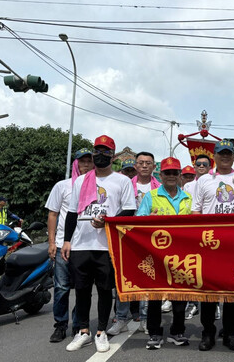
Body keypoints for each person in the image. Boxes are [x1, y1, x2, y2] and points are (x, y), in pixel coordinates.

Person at [62, 135, 136, 353]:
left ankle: (101, 331)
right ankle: (83, 331)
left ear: (113, 156)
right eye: (97, 151)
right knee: (82, 290)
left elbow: (129, 210)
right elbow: (73, 213)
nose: (100, 155)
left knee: (105, 290)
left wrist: (107, 221)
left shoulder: (121, 181)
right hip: (81, 244)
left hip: (107, 246)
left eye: (106, 152)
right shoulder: (80, 181)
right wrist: (67, 240)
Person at [191, 139, 234, 352]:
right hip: (209, 245)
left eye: (229, 153)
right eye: (221, 153)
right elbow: (196, 211)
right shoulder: (203, 181)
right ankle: (208, 332)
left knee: (233, 293)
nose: (225, 156)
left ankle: (230, 333)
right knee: (208, 292)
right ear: (214, 156)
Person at [136, 157, 193, 349]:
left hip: (181, 255)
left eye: (174, 173)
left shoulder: (187, 197)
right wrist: (147, 220)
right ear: (160, 175)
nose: (171, 176)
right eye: (167, 173)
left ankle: (178, 331)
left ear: (179, 176)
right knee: (155, 297)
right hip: (156, 255)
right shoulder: (150, 197)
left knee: (180, 296)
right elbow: (137, 222)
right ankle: (154, 333)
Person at [45, 148, 93, 343]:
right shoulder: (62, 186)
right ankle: (60, 325)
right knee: (62, 287)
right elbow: (53, 214)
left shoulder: (99, 186)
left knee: (83, 287)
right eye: (82, 162)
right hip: (63, 244)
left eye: (89, 161)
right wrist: (51, 242)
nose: (86, 165)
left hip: (85, 245)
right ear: (75, 163)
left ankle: (78, 324)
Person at [110, 152, 159, 335]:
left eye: (148, 163)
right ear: (135, 166)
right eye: (141, 163)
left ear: (154, 166)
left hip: (150, 240)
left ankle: (146, 319)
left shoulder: (159, 188)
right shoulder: (123, 185)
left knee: (148, 278)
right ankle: (121, 318)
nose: (145, 166)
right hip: (126, 239)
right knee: (124, 279)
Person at [183, 154, 212, 321]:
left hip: (209, 233)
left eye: (204, 164)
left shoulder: (213, 182)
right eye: (198, 164)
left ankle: (213, 304)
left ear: (209, 167)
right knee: (194, 270)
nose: (201, 166)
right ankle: (193, 302)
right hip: (192, 231)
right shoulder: (188, 186)